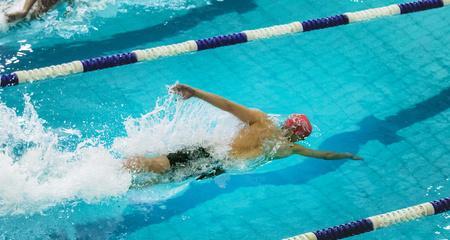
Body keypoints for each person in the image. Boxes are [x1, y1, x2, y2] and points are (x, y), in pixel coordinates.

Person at [125, 84, 362, 178]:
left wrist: (197, 93)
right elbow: (324, 155)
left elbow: (228, 105)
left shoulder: (267, 126)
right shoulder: (287, 147)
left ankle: (118, 178)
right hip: (214, 159)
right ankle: (115, 168)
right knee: (159, 168)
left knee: (162, 176)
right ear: (298, 133)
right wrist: (348, 155)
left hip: (217, 163)